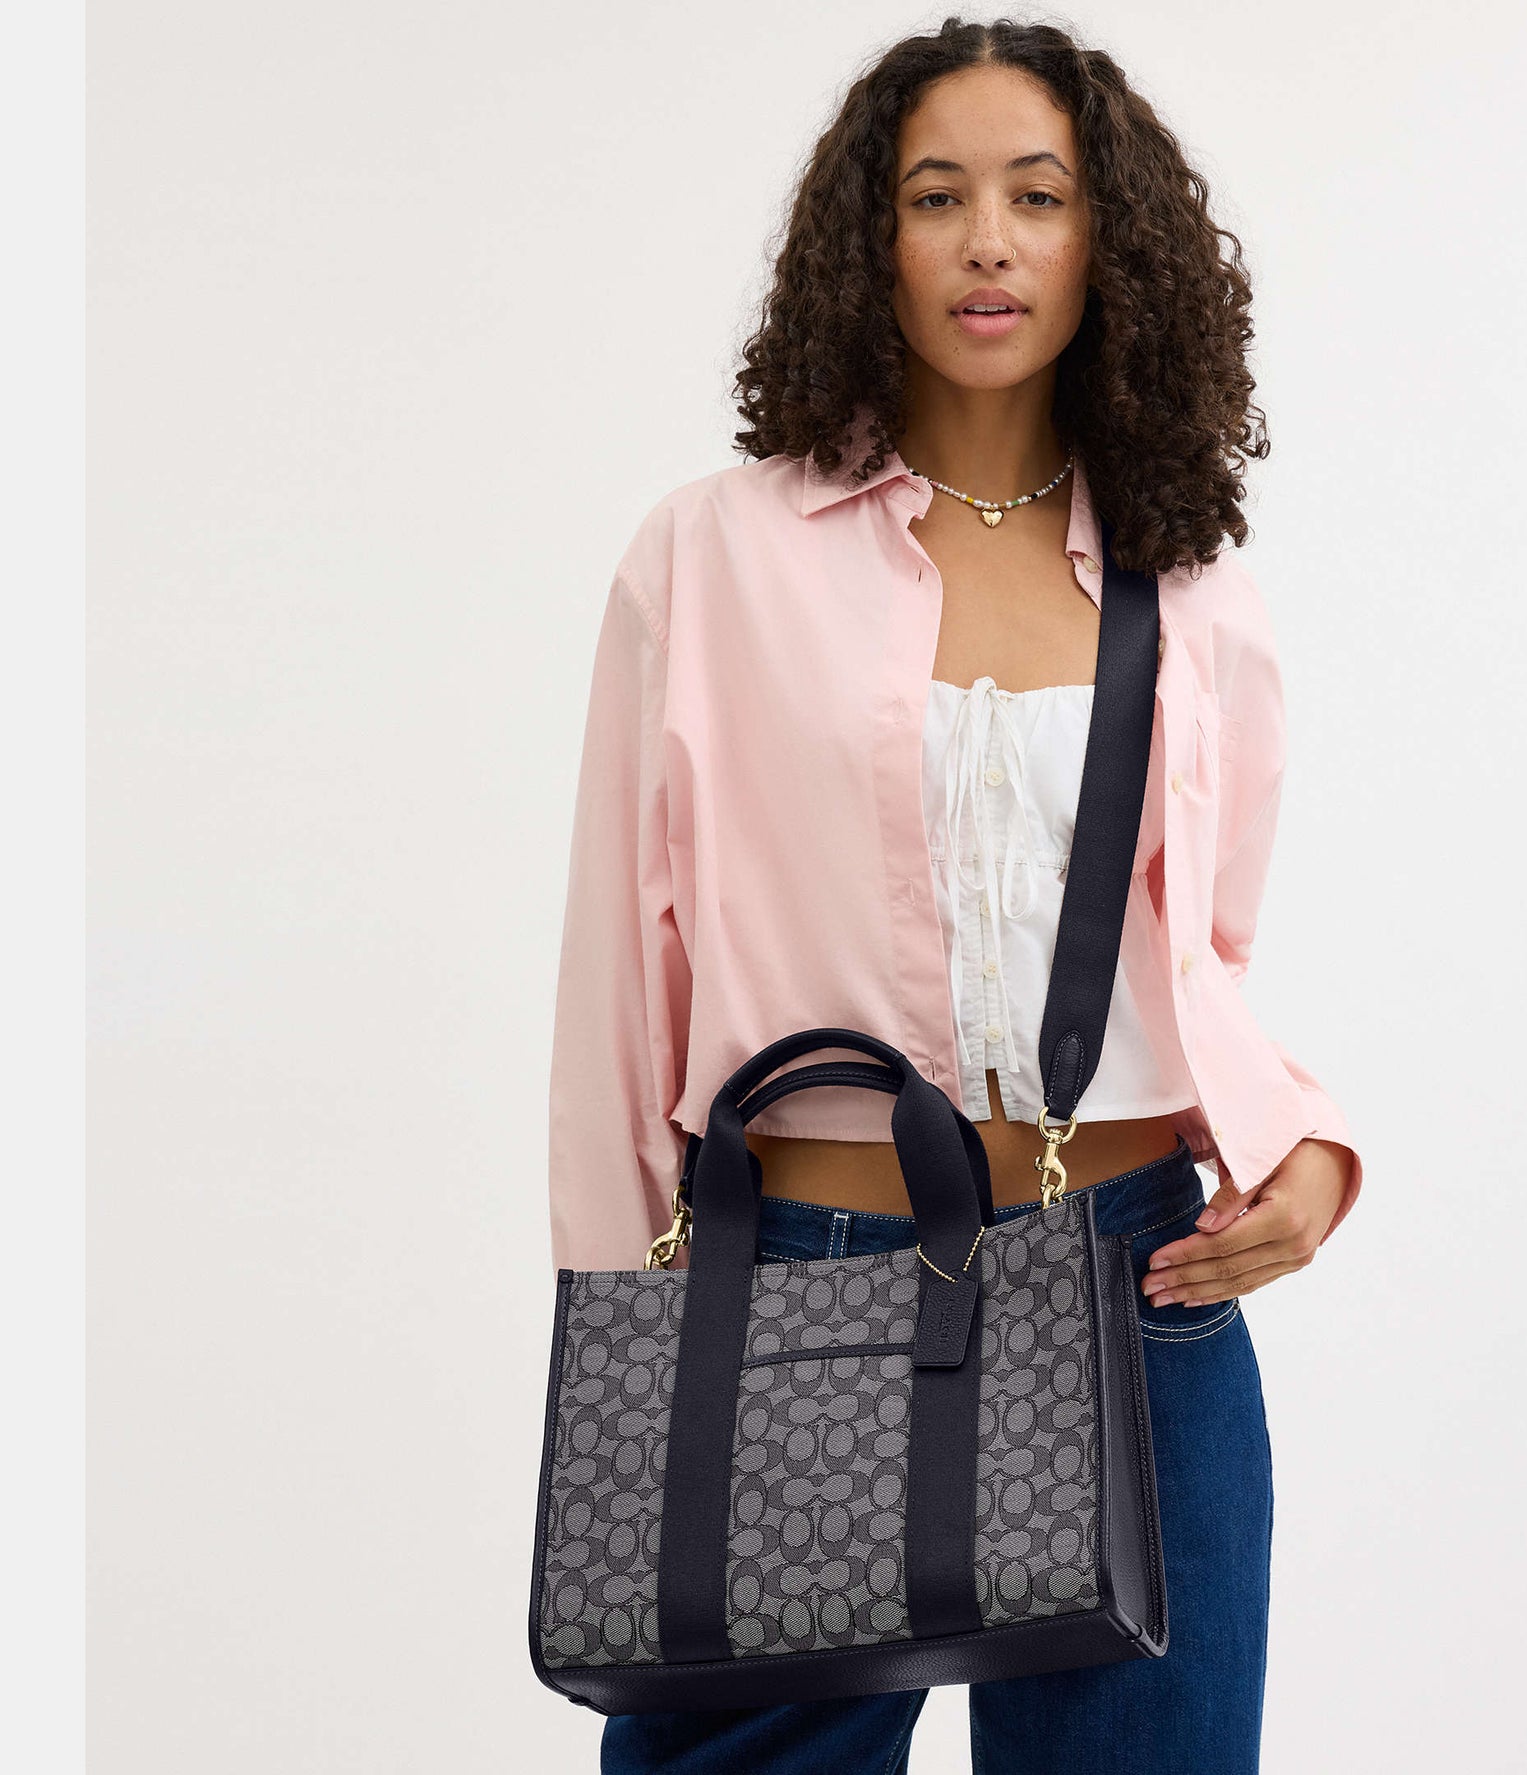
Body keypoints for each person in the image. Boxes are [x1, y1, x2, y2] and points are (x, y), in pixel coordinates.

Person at [547, 19, 1364, 1773]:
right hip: (800, 1287)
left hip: (1140, 1286)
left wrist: (1299, 1146)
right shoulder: (712, 554)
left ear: (1107, 240)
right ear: (872, 239)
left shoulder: (1191, 589)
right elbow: (619, 975)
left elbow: (1202, 966)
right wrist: (623, 1351)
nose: (988, 241)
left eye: (1037, 196)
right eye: (937, 197)